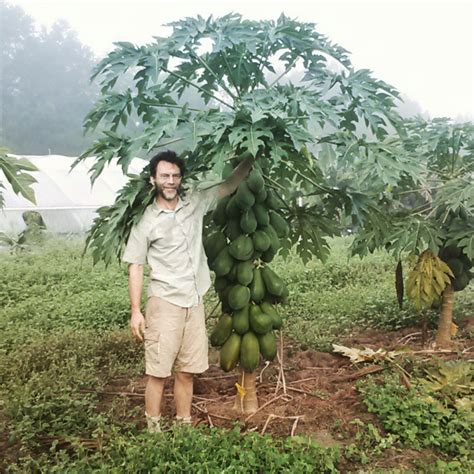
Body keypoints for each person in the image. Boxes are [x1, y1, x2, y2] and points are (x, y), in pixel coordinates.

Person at [122, 149, 254, 433]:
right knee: (157, 373)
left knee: (187, 371)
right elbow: (135, 265)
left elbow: (228, 186)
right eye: (164, 176)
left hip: (194, 301)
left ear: (181, 179)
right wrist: (136, 311)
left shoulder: (194, 202)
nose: (170, 181)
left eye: (175, 176)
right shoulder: (146, 220)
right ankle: (154, 430)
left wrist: (251, 157)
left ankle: (184, 427)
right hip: (164, 302)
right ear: (153, 180)